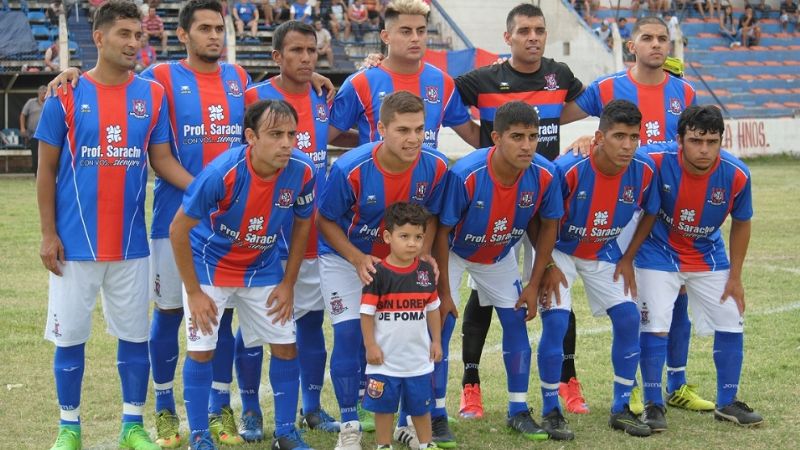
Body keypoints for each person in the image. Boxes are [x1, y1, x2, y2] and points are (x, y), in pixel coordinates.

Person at [35, 2, 189, 449]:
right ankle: (69, 428)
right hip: (73, 245)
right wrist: (47, 233)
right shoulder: (65, 94)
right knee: (71, 337)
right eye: (123, 34)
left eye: (138, 35)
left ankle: (132, 426)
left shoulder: (152, 96)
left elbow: (161, 160)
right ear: (98, 38)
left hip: (130, 245)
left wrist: (205, 188)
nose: (133, 42)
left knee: (134, 336)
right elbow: (45, 169)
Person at [561, 16, 713, 417]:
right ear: (632, 46)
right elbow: (556, 115)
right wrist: (583, 138)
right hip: (623, 205)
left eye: (663, 39)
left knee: (674, 294)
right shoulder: (608, 88)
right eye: (647, 38)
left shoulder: (685, 91)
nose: (656, 45)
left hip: (667, 209)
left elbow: (689, 143)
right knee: (636, 304)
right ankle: (636, 391)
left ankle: (676, 384)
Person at [450, 2, 585, 420]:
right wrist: (478, 143)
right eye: (524, 30)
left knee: (554, 291)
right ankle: (470, 386)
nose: (532, 37)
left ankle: (567, 381)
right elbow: (440, 99)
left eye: (539, 30)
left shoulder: (559, 75)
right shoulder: (484, 78)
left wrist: (587, 139)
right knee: (486, 297)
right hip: (495, 196)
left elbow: (594, 104)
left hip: (543, 198)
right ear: (507, 37)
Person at [170, 99, 316, 450]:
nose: (286, 143)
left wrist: (288, 282)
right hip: (211, 268)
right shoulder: (222, 173)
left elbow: (303, 223)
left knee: (285, 346)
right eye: (276, 134)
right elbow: (178, 230)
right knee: (202, 349)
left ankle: (285, 433)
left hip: (263, 268)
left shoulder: (304, 171)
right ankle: (201, 437)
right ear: (251, 136)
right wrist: (193, 292)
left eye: (292, 134)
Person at [317, 91, 449, 450]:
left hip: (401, 260)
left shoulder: (435, 166)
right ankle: (349, 424)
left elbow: (433, 215)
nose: (413, 138)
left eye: (420, 129)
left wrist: (420, 252)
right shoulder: (350, 167)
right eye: (403, 130)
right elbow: (325, 220)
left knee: (407, 336)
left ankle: (406, 423)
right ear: (380, 129)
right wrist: (358, 259)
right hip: (347, 258)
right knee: (349, 335)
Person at [434, 101, 563, 442]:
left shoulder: (545, 174)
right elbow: (442, 231)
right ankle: (434, 414)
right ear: (495, 138)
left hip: (499, 252)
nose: (527, 145)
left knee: (516, 318)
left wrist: (534, 283)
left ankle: (518, 410)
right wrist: (445, 293)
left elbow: (549, 226)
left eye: (533, 137)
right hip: (455, 252)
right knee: (441, 324)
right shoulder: (466, 174)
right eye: (517, 136)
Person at [635, 105, 764, 430]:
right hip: (657, 253)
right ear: (679, 140)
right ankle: (653, 404)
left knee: (731, 319)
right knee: (655, 325)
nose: (704, 149)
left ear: (721, 140)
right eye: (695, 140)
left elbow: (742, 223)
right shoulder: (655, 160)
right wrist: (585, 142)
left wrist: (735, 277)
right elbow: (618, 152)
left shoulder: (736, 174)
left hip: (707, 254)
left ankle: (727, 402)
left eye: (711, 141)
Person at [243, 19, 340, 436]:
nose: (305, 59)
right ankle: (249, 410)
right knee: (252, 329)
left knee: (310, 322)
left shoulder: (323, 97)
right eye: (296, 51)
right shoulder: (255, 97)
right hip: (264, 233)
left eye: (311, 52)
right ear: (276, 56)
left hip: (311, 229)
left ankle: (312, 407)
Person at [541, 99, 659, 439]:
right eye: (619, 136)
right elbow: (541, 221)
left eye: (634, 137)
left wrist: (627, 257)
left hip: (604, 250)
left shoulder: (644, 169)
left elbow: (649, 211)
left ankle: (621, 406)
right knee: (557, 321)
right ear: (598, 137)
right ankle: (551, 409)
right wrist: (547, 263)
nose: (627, 145)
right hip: (559, 250)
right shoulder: (569, 169)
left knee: (628, 317)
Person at [329, 0, 476, 150]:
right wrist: (371, 142)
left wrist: (501, 68)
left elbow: (472, 134)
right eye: (406, 31)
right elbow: (323, 135)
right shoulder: (360, 82)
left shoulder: (443, 82)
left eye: (421, 31)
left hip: (426, 174)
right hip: (376, 173)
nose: (415, 38)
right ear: (386, 37)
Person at [361, 201, 443, 450]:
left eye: (418, 237)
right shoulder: (377, 273)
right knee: (383, 407)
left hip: (417, 359)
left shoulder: (426, 271)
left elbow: (433, 309)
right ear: (387, 236)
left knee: (421, 406)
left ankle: (426, 443)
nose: (412, 243)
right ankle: (383, 445)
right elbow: (366, 314)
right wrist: (370, 345)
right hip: (385, 360)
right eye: (404, 236)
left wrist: (436, 340)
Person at [19, 85, 47, 175]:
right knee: (35, 154)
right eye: (43, 93)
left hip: (46, 134)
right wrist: (23, 128)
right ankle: (36, 173)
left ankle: (45, 174)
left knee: (46, 155)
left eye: (46, 93)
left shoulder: (49, 102)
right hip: (33, 134)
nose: (44, 95)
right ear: (38, 93)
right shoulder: (31, 102)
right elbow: (23, 115)